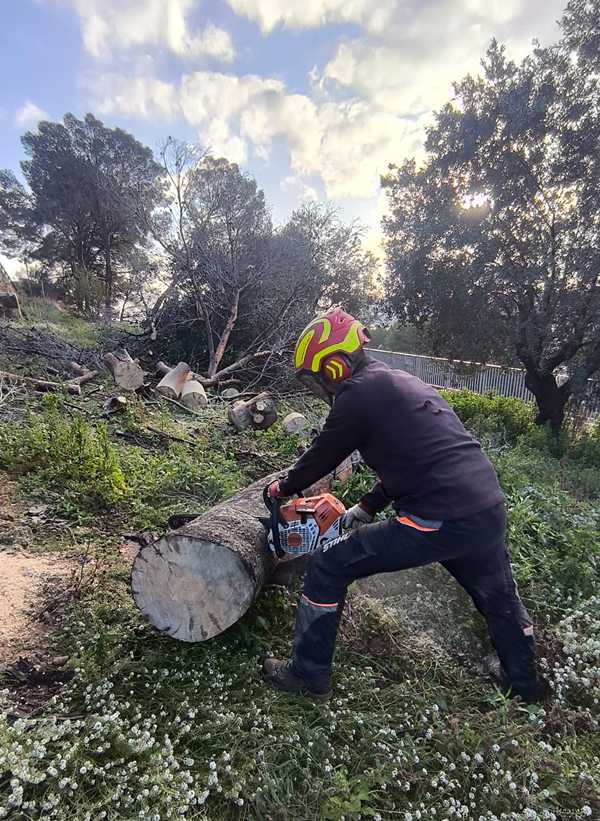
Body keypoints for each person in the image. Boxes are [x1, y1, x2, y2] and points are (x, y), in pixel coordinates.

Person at [263, 307, 541, 703]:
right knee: (496, 593)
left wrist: (281, 488)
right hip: (484, 507)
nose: (320, 387)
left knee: (329, 564)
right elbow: (415, 457)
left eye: (318, 377)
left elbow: (322, 454)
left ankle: (307, 676)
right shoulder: (396, 381)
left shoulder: (357, 393)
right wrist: (367, 506)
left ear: (336, 365)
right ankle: (524, 683)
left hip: (442, 515)